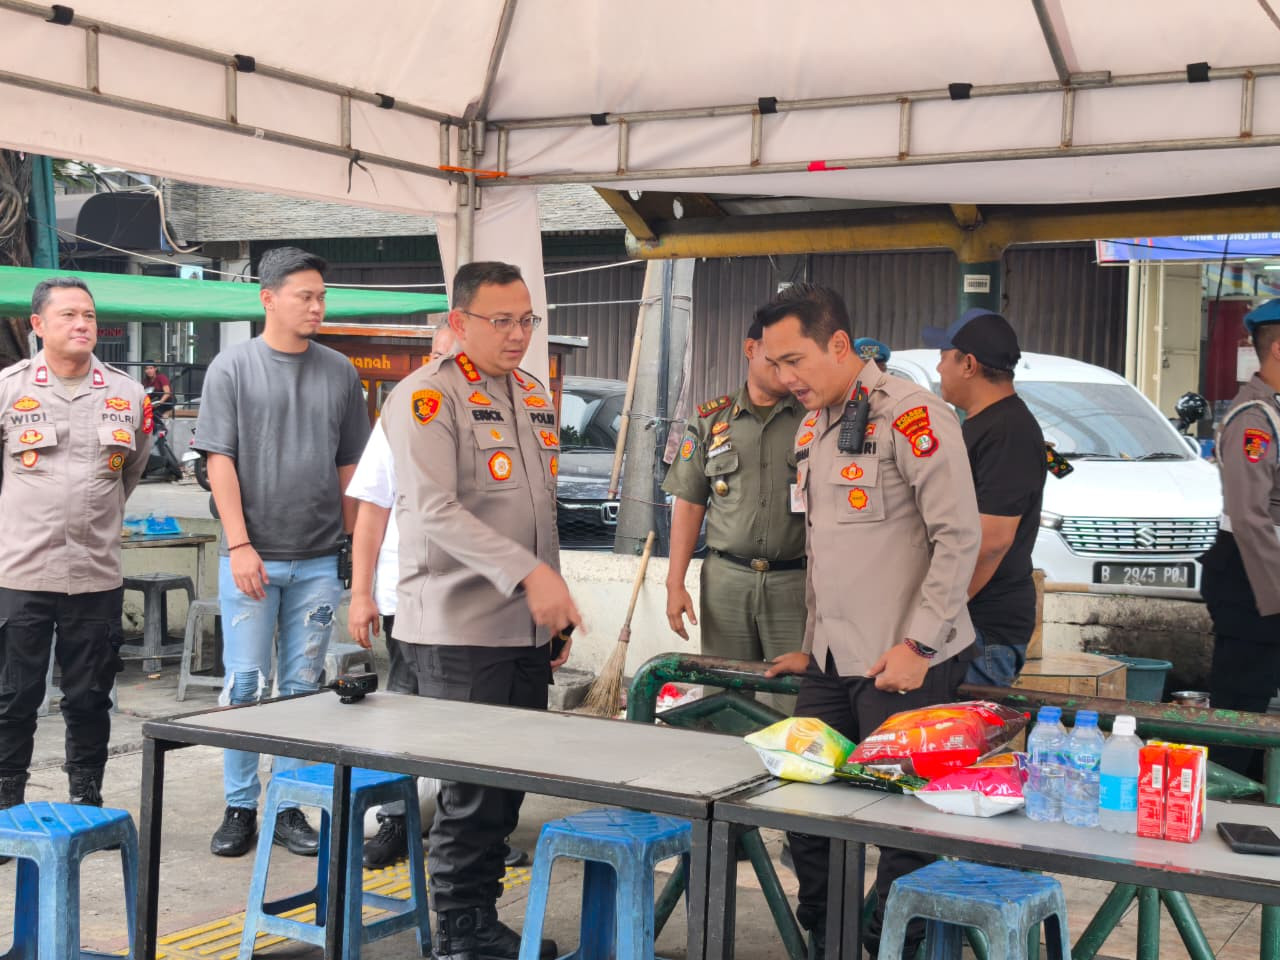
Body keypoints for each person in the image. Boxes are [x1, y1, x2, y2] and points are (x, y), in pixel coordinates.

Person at [759, 283, 980, 959]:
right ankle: (834, 942)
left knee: (904, 833)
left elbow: (959, 536)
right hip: (832, 661)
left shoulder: (913, 415)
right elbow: (831, 546)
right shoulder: (814, 423)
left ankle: (895, 948)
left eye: (794, 359)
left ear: (838, 344)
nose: (784, 377)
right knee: (805, 815)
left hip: (905, 665)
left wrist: (918, 643)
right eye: (774, 364)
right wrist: (810, 644)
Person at [383, 261, 577, 960]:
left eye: (528, 319)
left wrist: (550, 600)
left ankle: (481, 920)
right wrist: (529, 576)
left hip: (523, 624)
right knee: (469, 794)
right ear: (459, 322)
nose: (519, 334)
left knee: (507, 787)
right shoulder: (426, 399)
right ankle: (459, 934)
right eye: (503, 320)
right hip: (459, 629)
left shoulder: (527, 392)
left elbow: (537, 513)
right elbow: (433, 512)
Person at [195, 247, 370, 859]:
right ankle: (240, 805)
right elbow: (220, 461)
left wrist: (350, 546)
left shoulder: (340, 372)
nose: (318, 306)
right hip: (253, 556)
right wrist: (240, 544)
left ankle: (289, 803)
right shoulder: (232, 368)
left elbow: (353, 467)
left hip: (320, 557)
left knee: (301, 688)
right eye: (306, 296)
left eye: (323, 296)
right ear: (268, 298)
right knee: (243, 684)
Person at [0, 277, 151, 815]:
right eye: (68, 315)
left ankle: (85, 799)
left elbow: (128, 474)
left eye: (88, 314)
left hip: (95, 574)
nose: (82, 324)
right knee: (13, 699)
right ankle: (6, 805)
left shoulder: (127, 395)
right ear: (38, 325)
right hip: (20, 575)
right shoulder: (9, 388)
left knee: (89, 699)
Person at [347, 325, 456, 868]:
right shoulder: (402, 413)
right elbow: (372, 508)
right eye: (436, 356)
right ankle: (396, 820)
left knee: (475, 719)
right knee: (405, 711)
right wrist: (361, 591)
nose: (443, 368)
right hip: (406, 593)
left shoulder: (508, 413)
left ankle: (469, 829)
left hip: (481, 600)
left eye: (453, 358)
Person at [662, 309, 807, 711]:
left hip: (795, 582)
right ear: (750, 349)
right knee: (725, 697)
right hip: (727, 579)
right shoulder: (712, 419)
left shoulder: (814, 419)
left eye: (792, 359)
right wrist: (676, 583)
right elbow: (690, 502)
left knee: (793, 701)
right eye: (774, 357)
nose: (785, 369)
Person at [926, 309, 1046, 687]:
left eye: (945, 356)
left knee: (953, 741)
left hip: (980, 631)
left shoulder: (1007, 430)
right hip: (966, 626)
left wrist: (937, 617)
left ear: (969, 364)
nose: (939, 366)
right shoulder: (984, 423)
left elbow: (991, 541)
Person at [1202, 298, 1280, 777]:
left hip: (1262, 573)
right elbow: (1251, 517)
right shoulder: (1254, 419)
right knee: (1241, 704)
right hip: (1253, 575)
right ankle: (1227, 804)